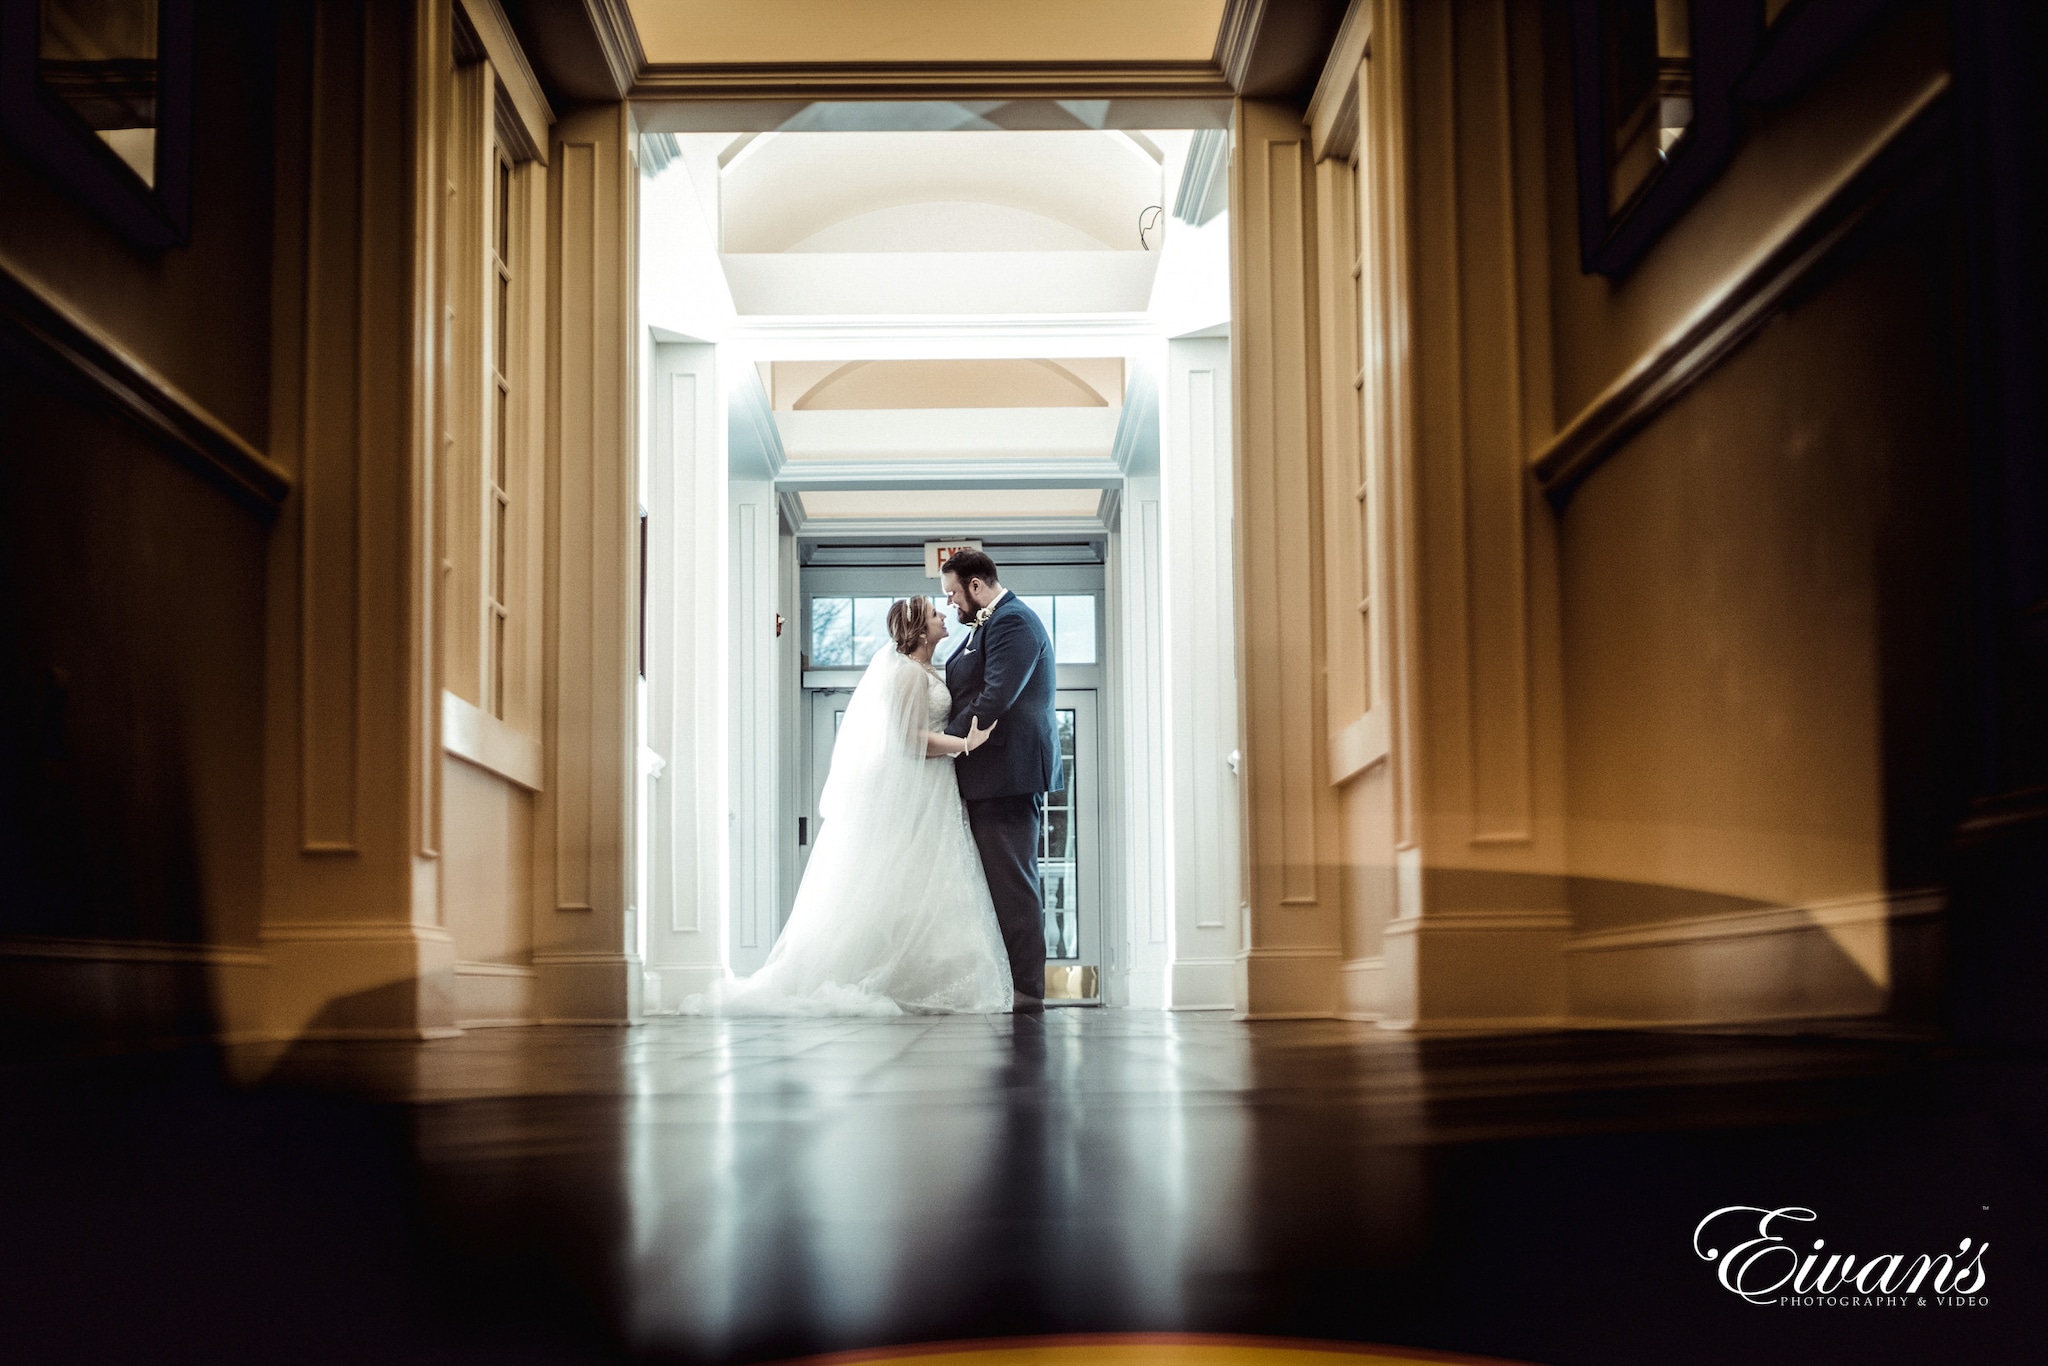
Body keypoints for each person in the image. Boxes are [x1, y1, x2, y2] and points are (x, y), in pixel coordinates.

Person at [683, 596, 1013, 1015]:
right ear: (917, 628)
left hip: (936, 787)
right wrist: (964, 744)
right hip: (919, 785)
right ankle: (893, 978)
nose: (942, 615)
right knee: (909, 874)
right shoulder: (909, 676)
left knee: (931, 877)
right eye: (934, 613)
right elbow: (909, 739)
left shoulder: (929, 670)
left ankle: (925, 979)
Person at [939, 549, 1063, 1012]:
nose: (951, 604)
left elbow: (995, 697)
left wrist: (940, 742)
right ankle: (1006, 987)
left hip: (1006, 774)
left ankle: (1027, 993)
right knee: (997, 886)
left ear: (975, 585)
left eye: (952, 593)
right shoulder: (989, 626)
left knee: (1013, 886)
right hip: (988, 775)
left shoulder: (1013, 622)